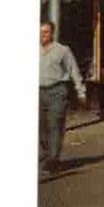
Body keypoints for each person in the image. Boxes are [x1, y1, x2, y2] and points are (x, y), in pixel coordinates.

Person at [39, 21, 87, 178]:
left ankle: (53, 159)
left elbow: (74, 70)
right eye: (40, 32)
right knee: (41, 127)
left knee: (55, 126)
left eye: (46, 32)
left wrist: (81, 92)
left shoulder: (62, 50)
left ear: (52, 33)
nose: (42, 35)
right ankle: (47, 153)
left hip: (57, 92)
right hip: (39, 92)